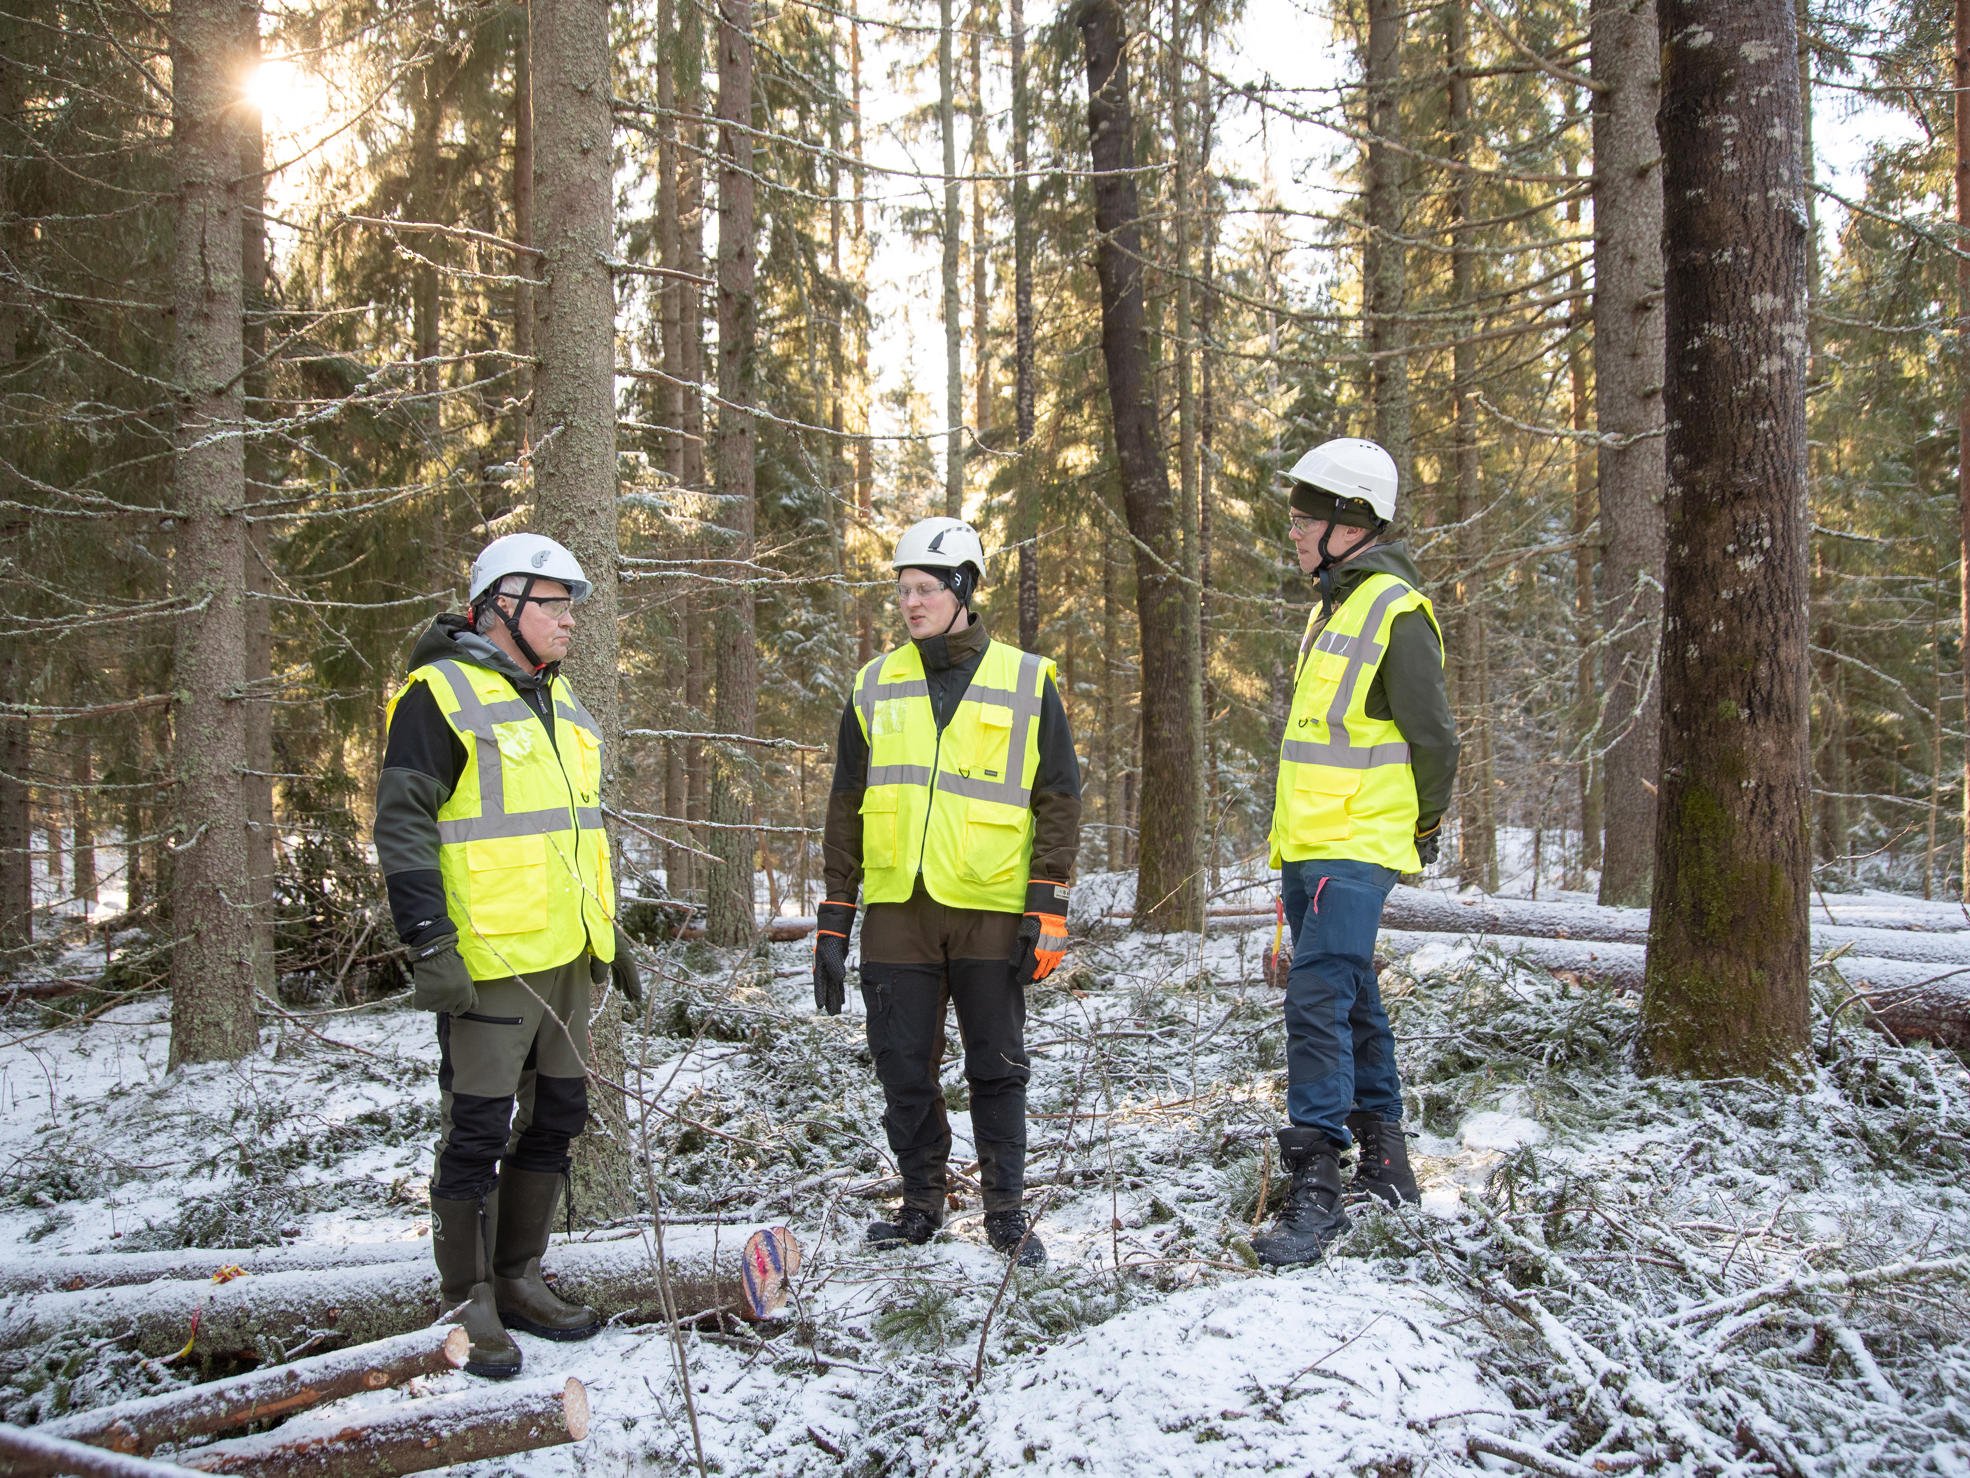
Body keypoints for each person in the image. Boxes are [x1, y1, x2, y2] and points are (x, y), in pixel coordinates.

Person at [374, 532, 641, 1377]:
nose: (570, 621)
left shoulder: (563, 706)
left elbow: (575, 837)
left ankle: (519, 1274)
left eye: (571, 605)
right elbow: (403, 827)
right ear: (502, 606)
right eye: (554, 603)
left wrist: (612, 931)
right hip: (486, 960)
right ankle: (468, 1299)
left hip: (564, 955)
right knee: (477, 1128)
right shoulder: (436, 696)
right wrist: (428, 942)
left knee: (560, 1116)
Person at [812, 517, 1081, 1267]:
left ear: (963, 589)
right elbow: (845, 803)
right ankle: (921, 1202)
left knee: (997, 1065)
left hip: (992, 909)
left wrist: (1048, 901)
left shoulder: (1027, 680)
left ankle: (1005, 1211)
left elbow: (1058, 795)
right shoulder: (874, 683)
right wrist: (835, 919)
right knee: (902, 1064)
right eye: (902, 589)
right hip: (899, 911)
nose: (910, 602)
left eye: (926, 588)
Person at [1253, 440, 1460, 1269]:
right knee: (1353, 998)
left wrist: (1423, 827)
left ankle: (1316, 1187)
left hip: (1358, 840)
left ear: (1351, 520)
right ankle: (1386, 1163)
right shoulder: (1329, 609)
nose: (1295, 532)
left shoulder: (1396, 611)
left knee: (1318, 994)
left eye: (1306, 519)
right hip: (1308, 843)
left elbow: (1433, 736)